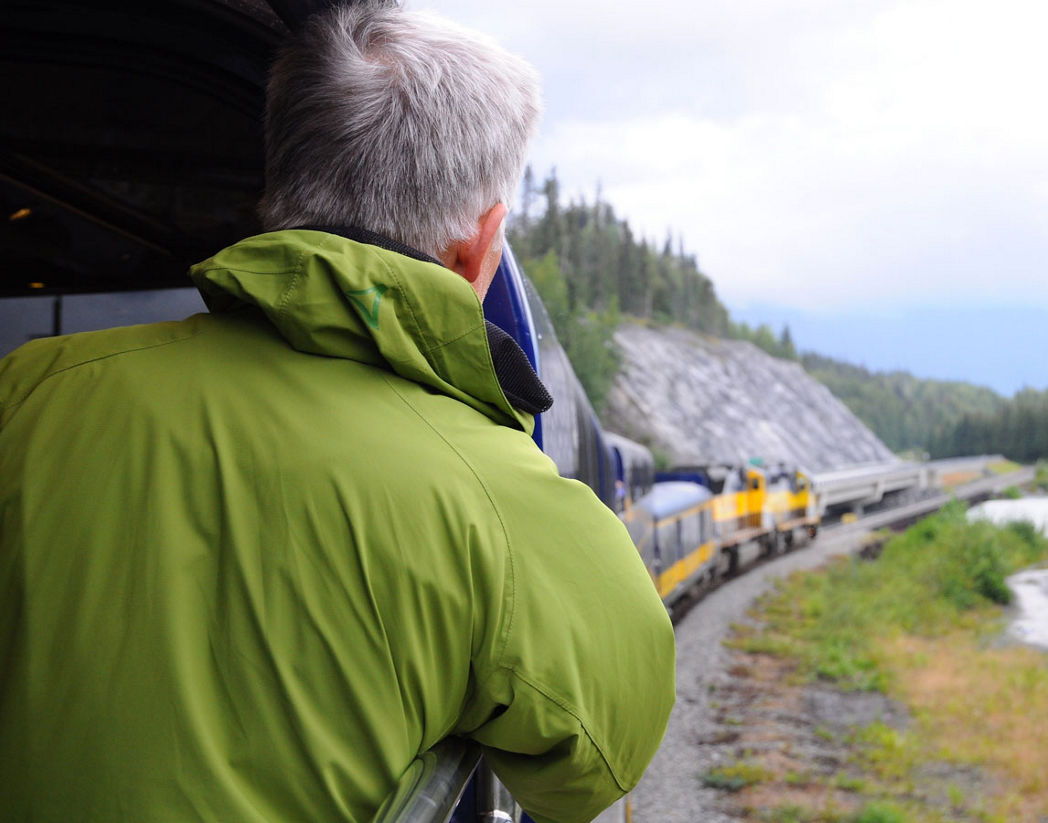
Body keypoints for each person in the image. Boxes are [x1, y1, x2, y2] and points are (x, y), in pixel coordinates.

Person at [0, 5, 675, 823]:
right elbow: (600, 763)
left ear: (276, 197)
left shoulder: (28, 389)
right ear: (479, 245)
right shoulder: (502, 500)